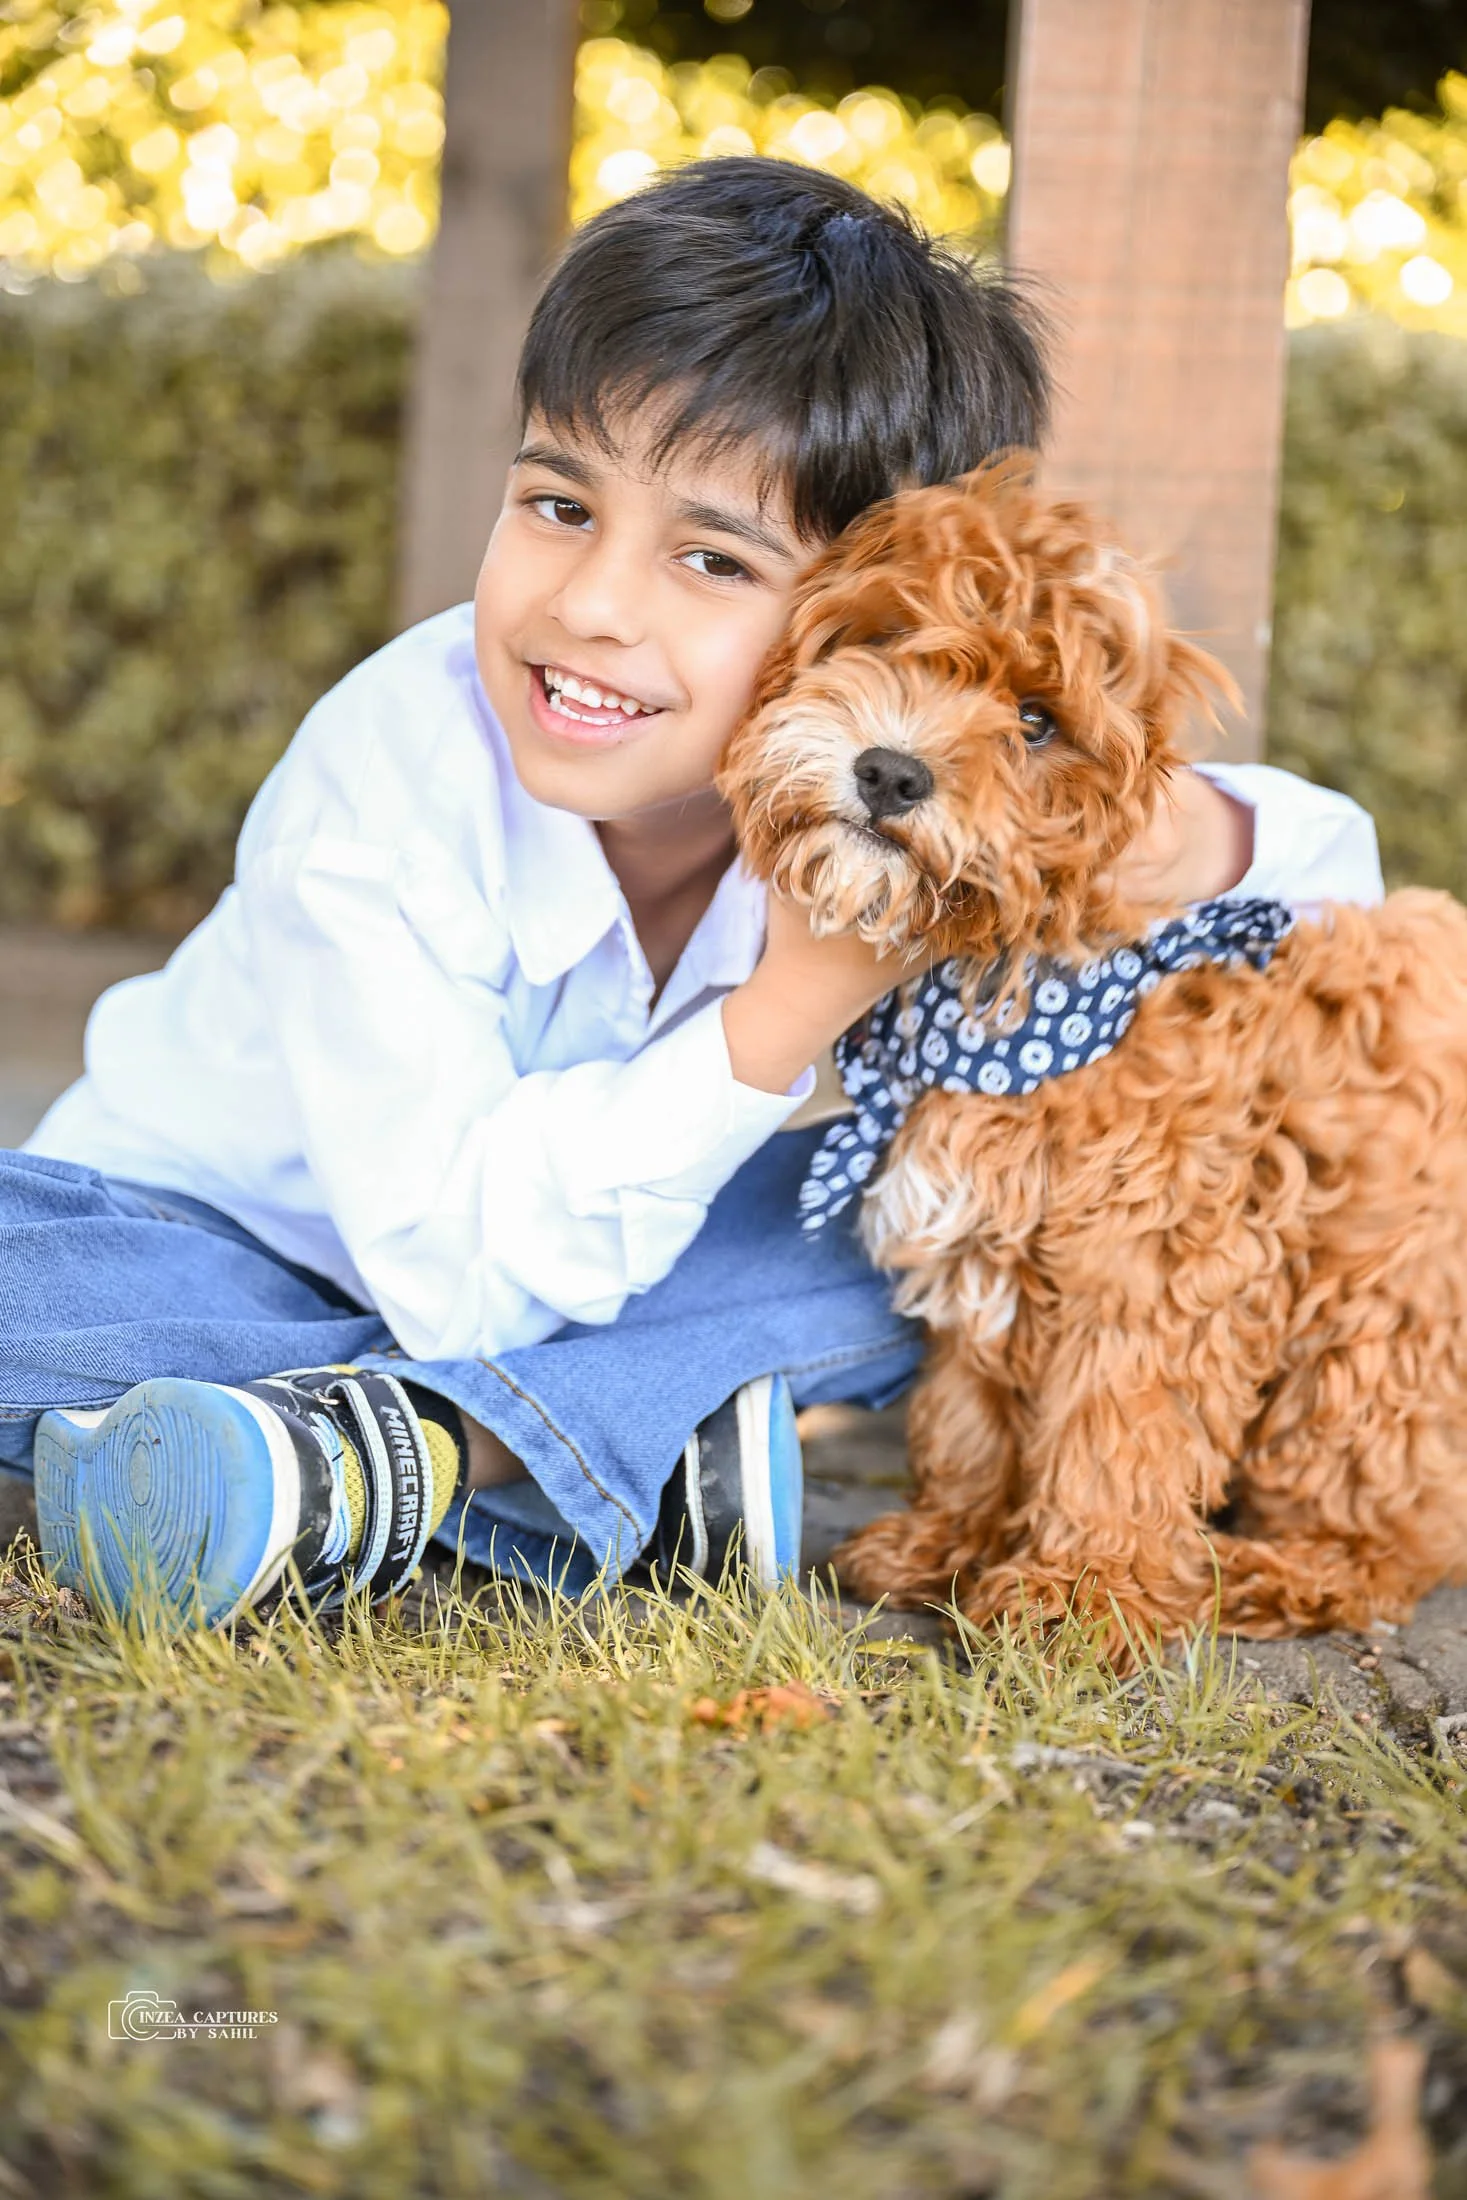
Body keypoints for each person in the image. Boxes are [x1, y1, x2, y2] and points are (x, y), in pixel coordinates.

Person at [0, 159, 1383, 1629]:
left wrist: (1127, 828)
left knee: (896, 1228)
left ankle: (399, 1454)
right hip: (208, 1241)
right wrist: (788, 1009)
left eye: (713, 558)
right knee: (38, 1293)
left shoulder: (882, 794)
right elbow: (454, 1280)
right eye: (554, 502)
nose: (591, 605)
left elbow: (1323, 880)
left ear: (876, 616)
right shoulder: (386, 775)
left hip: (620, 1258)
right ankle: (561, 1443)